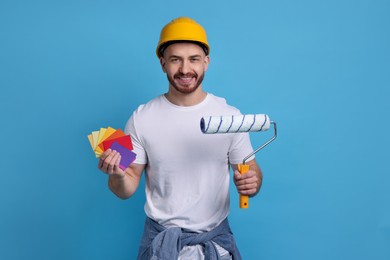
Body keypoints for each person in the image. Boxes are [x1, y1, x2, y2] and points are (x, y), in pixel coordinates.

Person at [98, 17, 263, 260]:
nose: (185, 69)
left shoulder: (230, 117)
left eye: (194, 59)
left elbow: (251, 171)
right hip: (161, 246)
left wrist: (253, 182)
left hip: (215, 245)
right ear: (163, 63)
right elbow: (124, 188)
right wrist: (117, 174)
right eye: (176, 59)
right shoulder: (142, 118)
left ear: (206, 62)